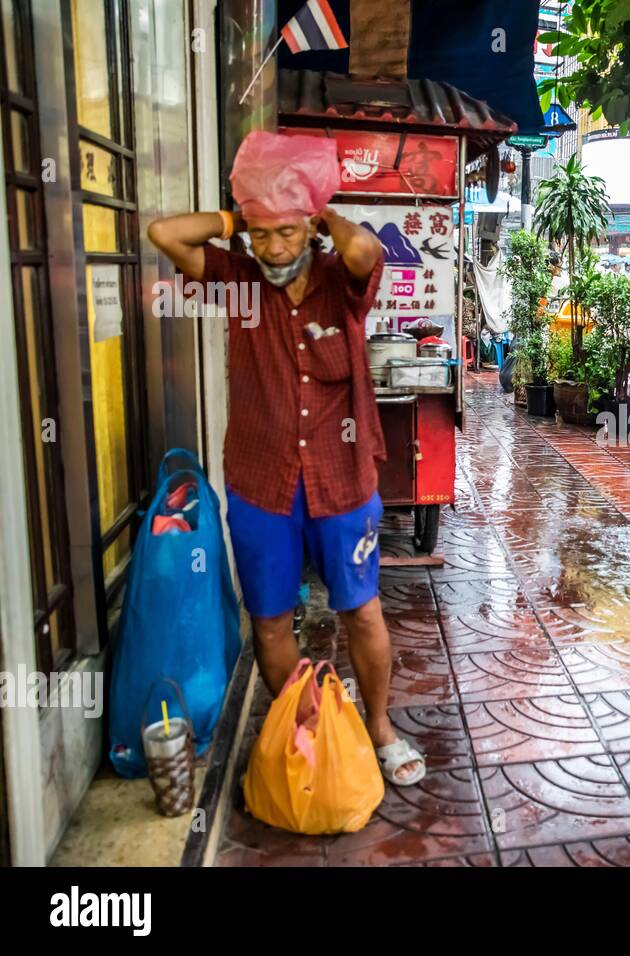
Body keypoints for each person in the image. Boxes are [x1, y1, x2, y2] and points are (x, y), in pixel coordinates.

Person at [146, 131, 425, 786]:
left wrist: (312, 202)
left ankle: (380, 730)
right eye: (261, 235)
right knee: (270, 620)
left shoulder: (340, 282)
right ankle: (303, 730)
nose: (272, 248)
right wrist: (241, 216)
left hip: (343, 480)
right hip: (261, 486)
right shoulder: (238, 282)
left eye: (286, 233)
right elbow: (166, 234)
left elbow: (363, 249)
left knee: (362, 609)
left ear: (310, 229)